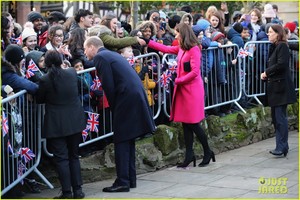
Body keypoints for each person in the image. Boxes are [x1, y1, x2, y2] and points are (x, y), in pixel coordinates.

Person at [84, 36, 155, 192]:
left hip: (125, 99)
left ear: (91, 47)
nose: (84, 53)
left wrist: (115, 107)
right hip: (133, 96)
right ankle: (130, 179)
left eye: (85, 49)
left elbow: (108, 85)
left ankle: (123, 181)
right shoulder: (110, 54)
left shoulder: (100, 57)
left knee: (121, 140)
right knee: (128, 140)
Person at [142, 23, 215, 167]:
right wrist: (149, 41)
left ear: (183, 34)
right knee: (186, 124)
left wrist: (178, 80)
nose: (175, 36)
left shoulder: (194, 49)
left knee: (193, 124)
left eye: (177, 33)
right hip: (183, 88)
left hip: (192, 90)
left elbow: (195, 72)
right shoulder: (182, 47)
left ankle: (208, 151)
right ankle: (189, 156)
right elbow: (166, 48)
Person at [35, 50, 86, 198]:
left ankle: (67, 192)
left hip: (56, 123)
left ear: (48, 63)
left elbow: (39, 99)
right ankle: (78, 190)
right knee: (74, 156)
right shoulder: (71, 72)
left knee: (62, 159)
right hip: (75, 120)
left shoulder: (45, 79)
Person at [260, 24, 297, 157]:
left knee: (280, 118)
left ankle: (281, 147)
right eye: (268, 32)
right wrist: (267, 74)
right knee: (276, 119)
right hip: (275, 88)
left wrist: (266, 72)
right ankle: (282, 146)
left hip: (281, 88)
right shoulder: (274, 46)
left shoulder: (282, 46)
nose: (268, 34)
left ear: (278, 33)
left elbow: (281, 65)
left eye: (270, 32)